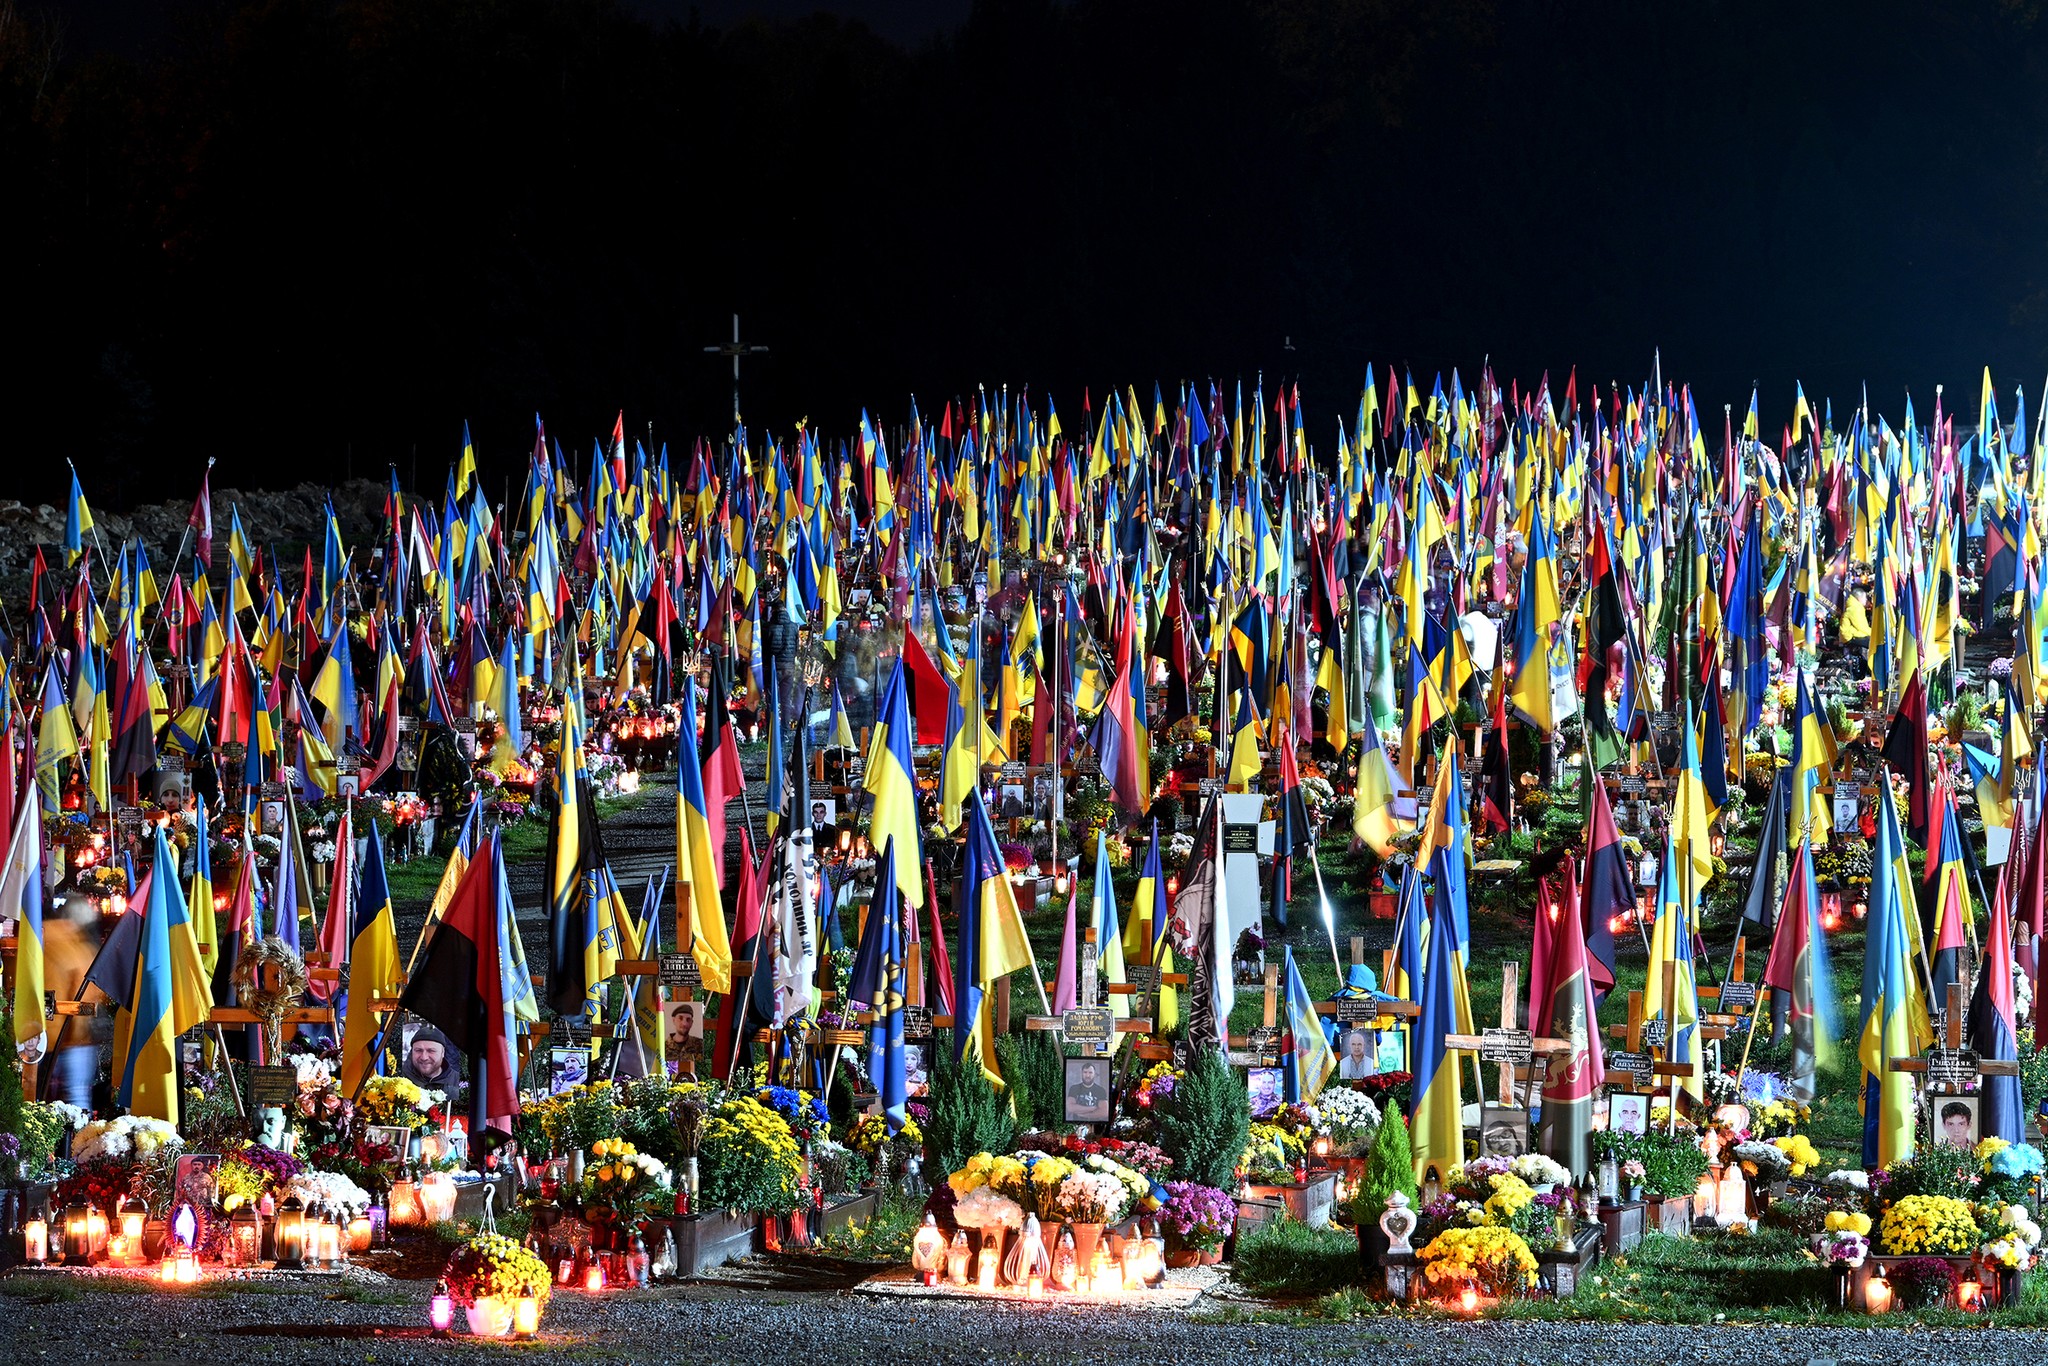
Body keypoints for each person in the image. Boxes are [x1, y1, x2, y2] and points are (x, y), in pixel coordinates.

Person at [401, 1024, 466, 1099]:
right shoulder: (401, 1080)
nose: (424, 1057)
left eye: (431, 1051)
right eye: (418, 1050)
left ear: (442, 1053)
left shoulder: (457, 1081)